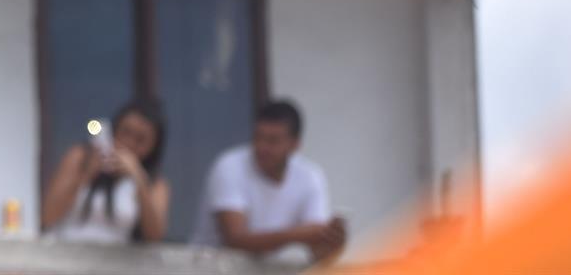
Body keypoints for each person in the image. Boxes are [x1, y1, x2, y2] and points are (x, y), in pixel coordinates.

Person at [191, 98, 347, 262]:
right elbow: (234, 238)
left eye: (273, 141)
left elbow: (318, 249)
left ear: (294, 145)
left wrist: (331, 242)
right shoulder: (229, 166)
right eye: (258, 137)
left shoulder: (311, 176)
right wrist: (300, 234)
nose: (262, 147)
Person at [41, 97, 170, 243]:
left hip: (114, 264)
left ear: (153, 147)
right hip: (64, 257)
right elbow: (48, 217)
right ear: (114, 128)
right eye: (125, 132)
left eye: (140, 139)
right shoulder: (82, 156)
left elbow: (155, 236)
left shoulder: (154, 182)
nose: (130, 143)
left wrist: (138, 177)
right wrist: (86, 174)